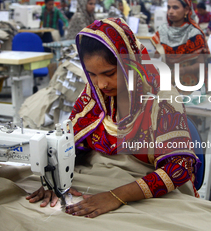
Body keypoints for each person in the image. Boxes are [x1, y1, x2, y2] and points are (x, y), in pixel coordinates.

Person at [26, 17, 201, 218]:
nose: (101, 84)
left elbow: (178, 169)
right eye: (92, 74)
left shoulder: (162, 98)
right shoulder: (94, 95)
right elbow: (70, 143)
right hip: (101, 177)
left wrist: (117, 196)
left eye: (109, 73)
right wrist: (52, 180)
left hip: (150, 189)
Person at [151, 0, 210, 88]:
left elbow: (201, 64)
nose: (170, 11)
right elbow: (156, 59)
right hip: (166, 82)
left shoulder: (194, 34)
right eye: (168, 7)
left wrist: (184, 70)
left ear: (186, 10)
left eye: (175, 7)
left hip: (187, 83)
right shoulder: (162, 31)